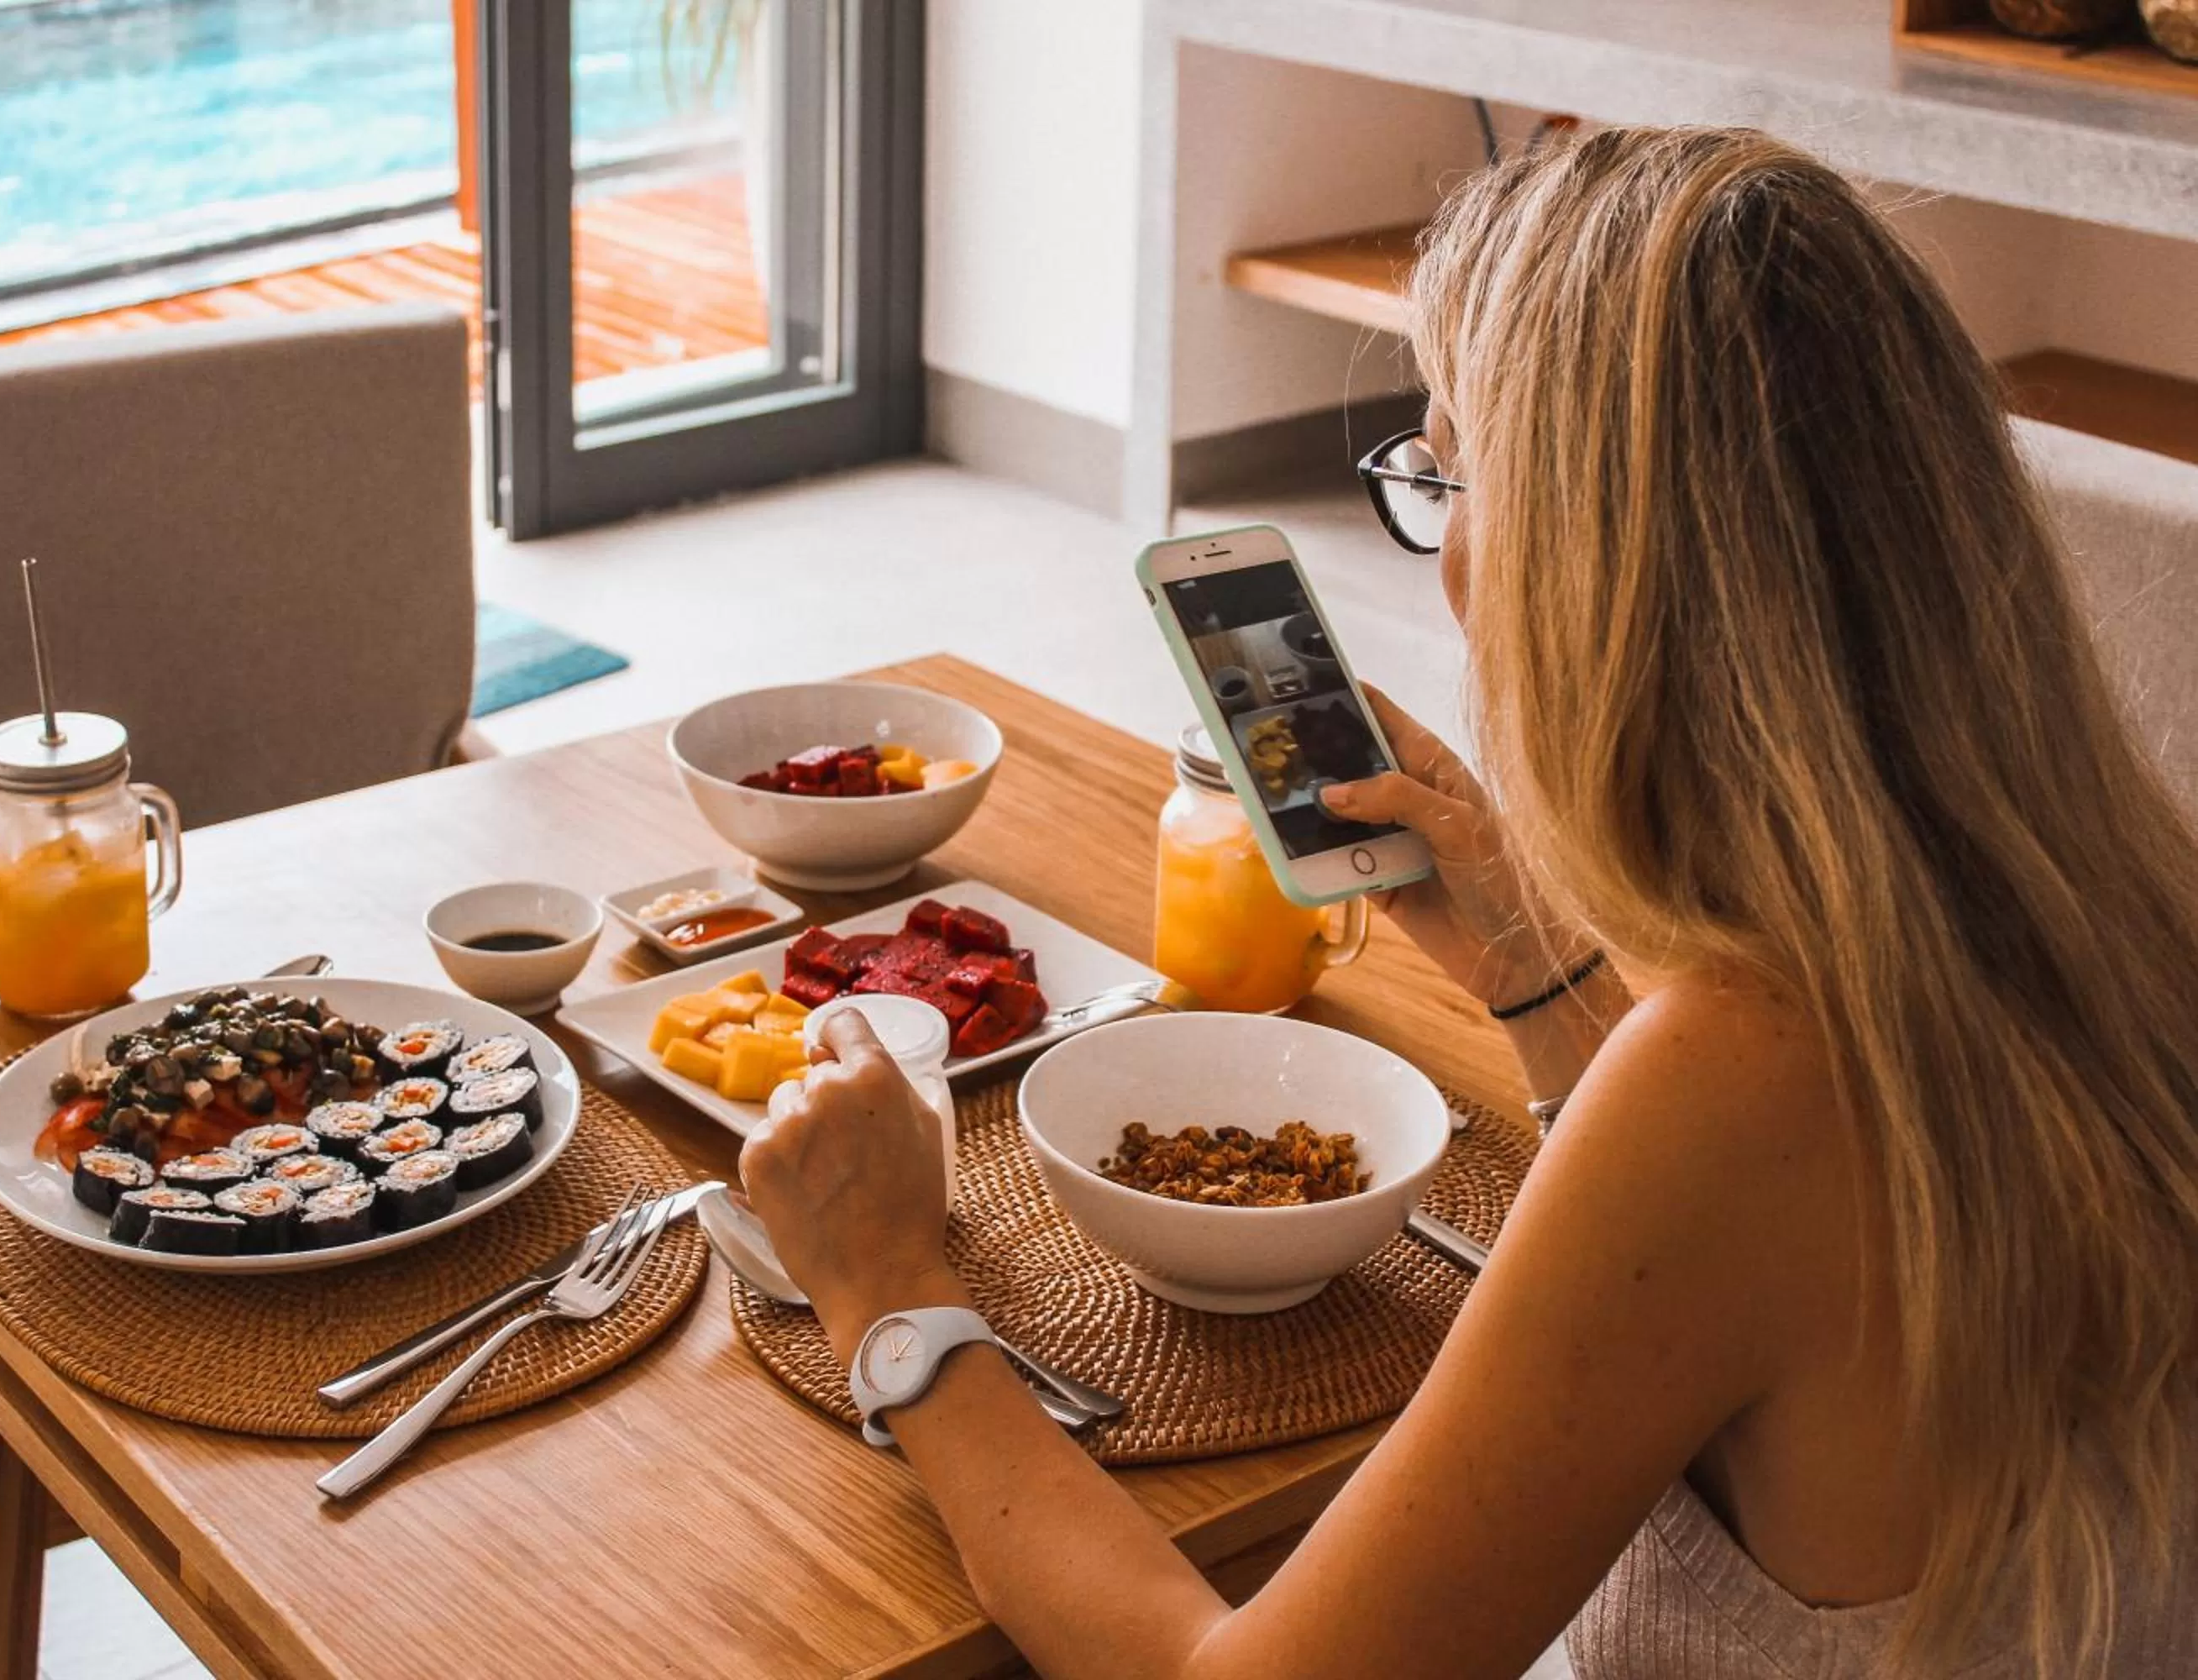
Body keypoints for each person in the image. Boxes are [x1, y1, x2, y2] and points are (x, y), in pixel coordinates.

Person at [737, 127, 2198, 1678]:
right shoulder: (2116, 908)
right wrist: (1531, 970)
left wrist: (893, 1296)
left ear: (1590, 562)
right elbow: (1758, 1283)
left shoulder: (1746, 1076)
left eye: (1447, 470)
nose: (1445, 560)